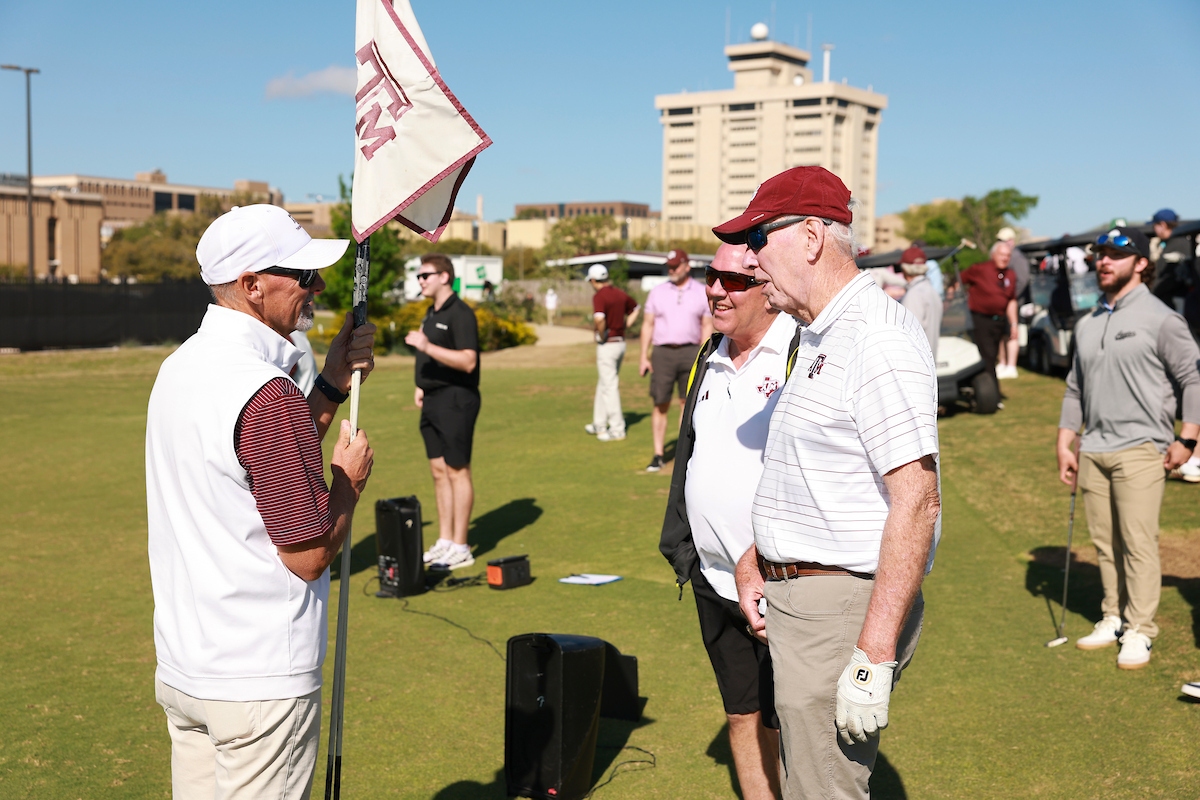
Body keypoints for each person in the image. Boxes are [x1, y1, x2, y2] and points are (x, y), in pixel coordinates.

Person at [717, 166, 940, 800]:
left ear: (812, 236)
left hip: (840, 608)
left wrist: (872, 656)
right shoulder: (822, 331)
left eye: (758, 239)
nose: (750, 260)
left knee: (823, 791)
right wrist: (757, 556)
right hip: (807, 602)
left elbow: (918, 500)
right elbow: (816, 474)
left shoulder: (875, 336)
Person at [146, 204, 377, 799]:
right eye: (303, 275)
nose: (317, 287)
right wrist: (348, 483)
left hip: (188, 668)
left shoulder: (179, 367)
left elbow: (268, 463)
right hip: (258, 679)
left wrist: (330, 383)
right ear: (251, 284)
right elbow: (308, 555)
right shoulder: (267, 392)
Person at [660, 242, 799, 800]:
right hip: (712, 576)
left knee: (791, 724)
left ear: (769, 289)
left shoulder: (800, 354)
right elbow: (690, 453)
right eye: (710, 275)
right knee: (742, 714)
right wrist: (685, 547)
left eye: (733, 280)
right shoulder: (709, 353)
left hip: (782, 581)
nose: (716, 290)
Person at [1057, 226, 1200, 669]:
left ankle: (1141, 629)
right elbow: (1075, 387)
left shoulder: (1162, 317)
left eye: (1116, 254)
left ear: (1141, 263)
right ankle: (1113, 616)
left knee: (1138, 542)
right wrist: (1065, 440)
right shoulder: (1087, 322)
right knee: (1105, 542)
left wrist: (1188, 438)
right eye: (1100, 254)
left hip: (1142, 447)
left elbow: (1192, 378)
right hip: (1094, 448)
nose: (1104, 261)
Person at [406, 254, 482, 571]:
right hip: (433, 399)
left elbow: (468, 361)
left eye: (425, 275)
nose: (420, 281)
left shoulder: (460, 313)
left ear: (444, 277)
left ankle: (461, 546)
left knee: (457, 471)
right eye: (419, 276)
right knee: (439, 472)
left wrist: (426, 347)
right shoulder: (431, 312)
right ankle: (446, 541)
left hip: (456, 399)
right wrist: (421, 384)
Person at [638, 249, 713, 472]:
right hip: (662, 353)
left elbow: (707, 325)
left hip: (691, 352)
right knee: (660, 403)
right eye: (669, 266)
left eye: (676, 266)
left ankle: (682, 453)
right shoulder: (657, 292)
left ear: (686, 266)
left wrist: (703, 356)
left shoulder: (701, 291)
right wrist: (643, 356)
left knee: (685, 403)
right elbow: (648, 324)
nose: (672, 270)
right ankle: (658, 454)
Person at [585, 263, 639, 442]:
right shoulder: (619, 293)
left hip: (608, 345)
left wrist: (601, 335)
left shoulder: (599, 296)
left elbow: (599, 320)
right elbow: (636, 308)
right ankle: (599, 423)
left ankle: (617, 428)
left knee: (609, 386)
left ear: (594, 280)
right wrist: (626, 325)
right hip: (620, 343)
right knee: (604, 382)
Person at [960, 241, 1017, 385]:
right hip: (980, 319)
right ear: (993, 255)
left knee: (993, 355)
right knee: (988, 355)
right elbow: (960, 280)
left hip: (999, 321)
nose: (1005, 258)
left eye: (1008, 255)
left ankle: (987, 385)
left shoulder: (1010, 274)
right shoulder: (980, 269)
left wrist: (1014, 324)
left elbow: (1011, 300)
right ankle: (991, 388)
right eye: (1002, 254)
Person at [997, 227, 1030, 377]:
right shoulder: (1004, 256)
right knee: (1002, 333)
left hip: (1013, 302)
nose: (1000, 243)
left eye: (1003, 241)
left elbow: (1023, 280)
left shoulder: (1017, 258)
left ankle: (1011, 366)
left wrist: (1009, 296)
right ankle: (1003, 362)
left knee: (1012, 332)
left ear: (1011, 241)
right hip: (1003, 301)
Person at [899, 244, 942, 361]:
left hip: (916, 363)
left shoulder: (914, 295)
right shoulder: (931, 290)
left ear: (905, 269)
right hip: (928, 362)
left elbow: (909, 335)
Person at [1150, 208, 1192, 314]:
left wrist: (1152, 291)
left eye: (1155, 225)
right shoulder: (1172, 243)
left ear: (1163, 225)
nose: (1154, 229)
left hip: (1176, 303)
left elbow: (1171, 279)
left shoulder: (1178, 244)